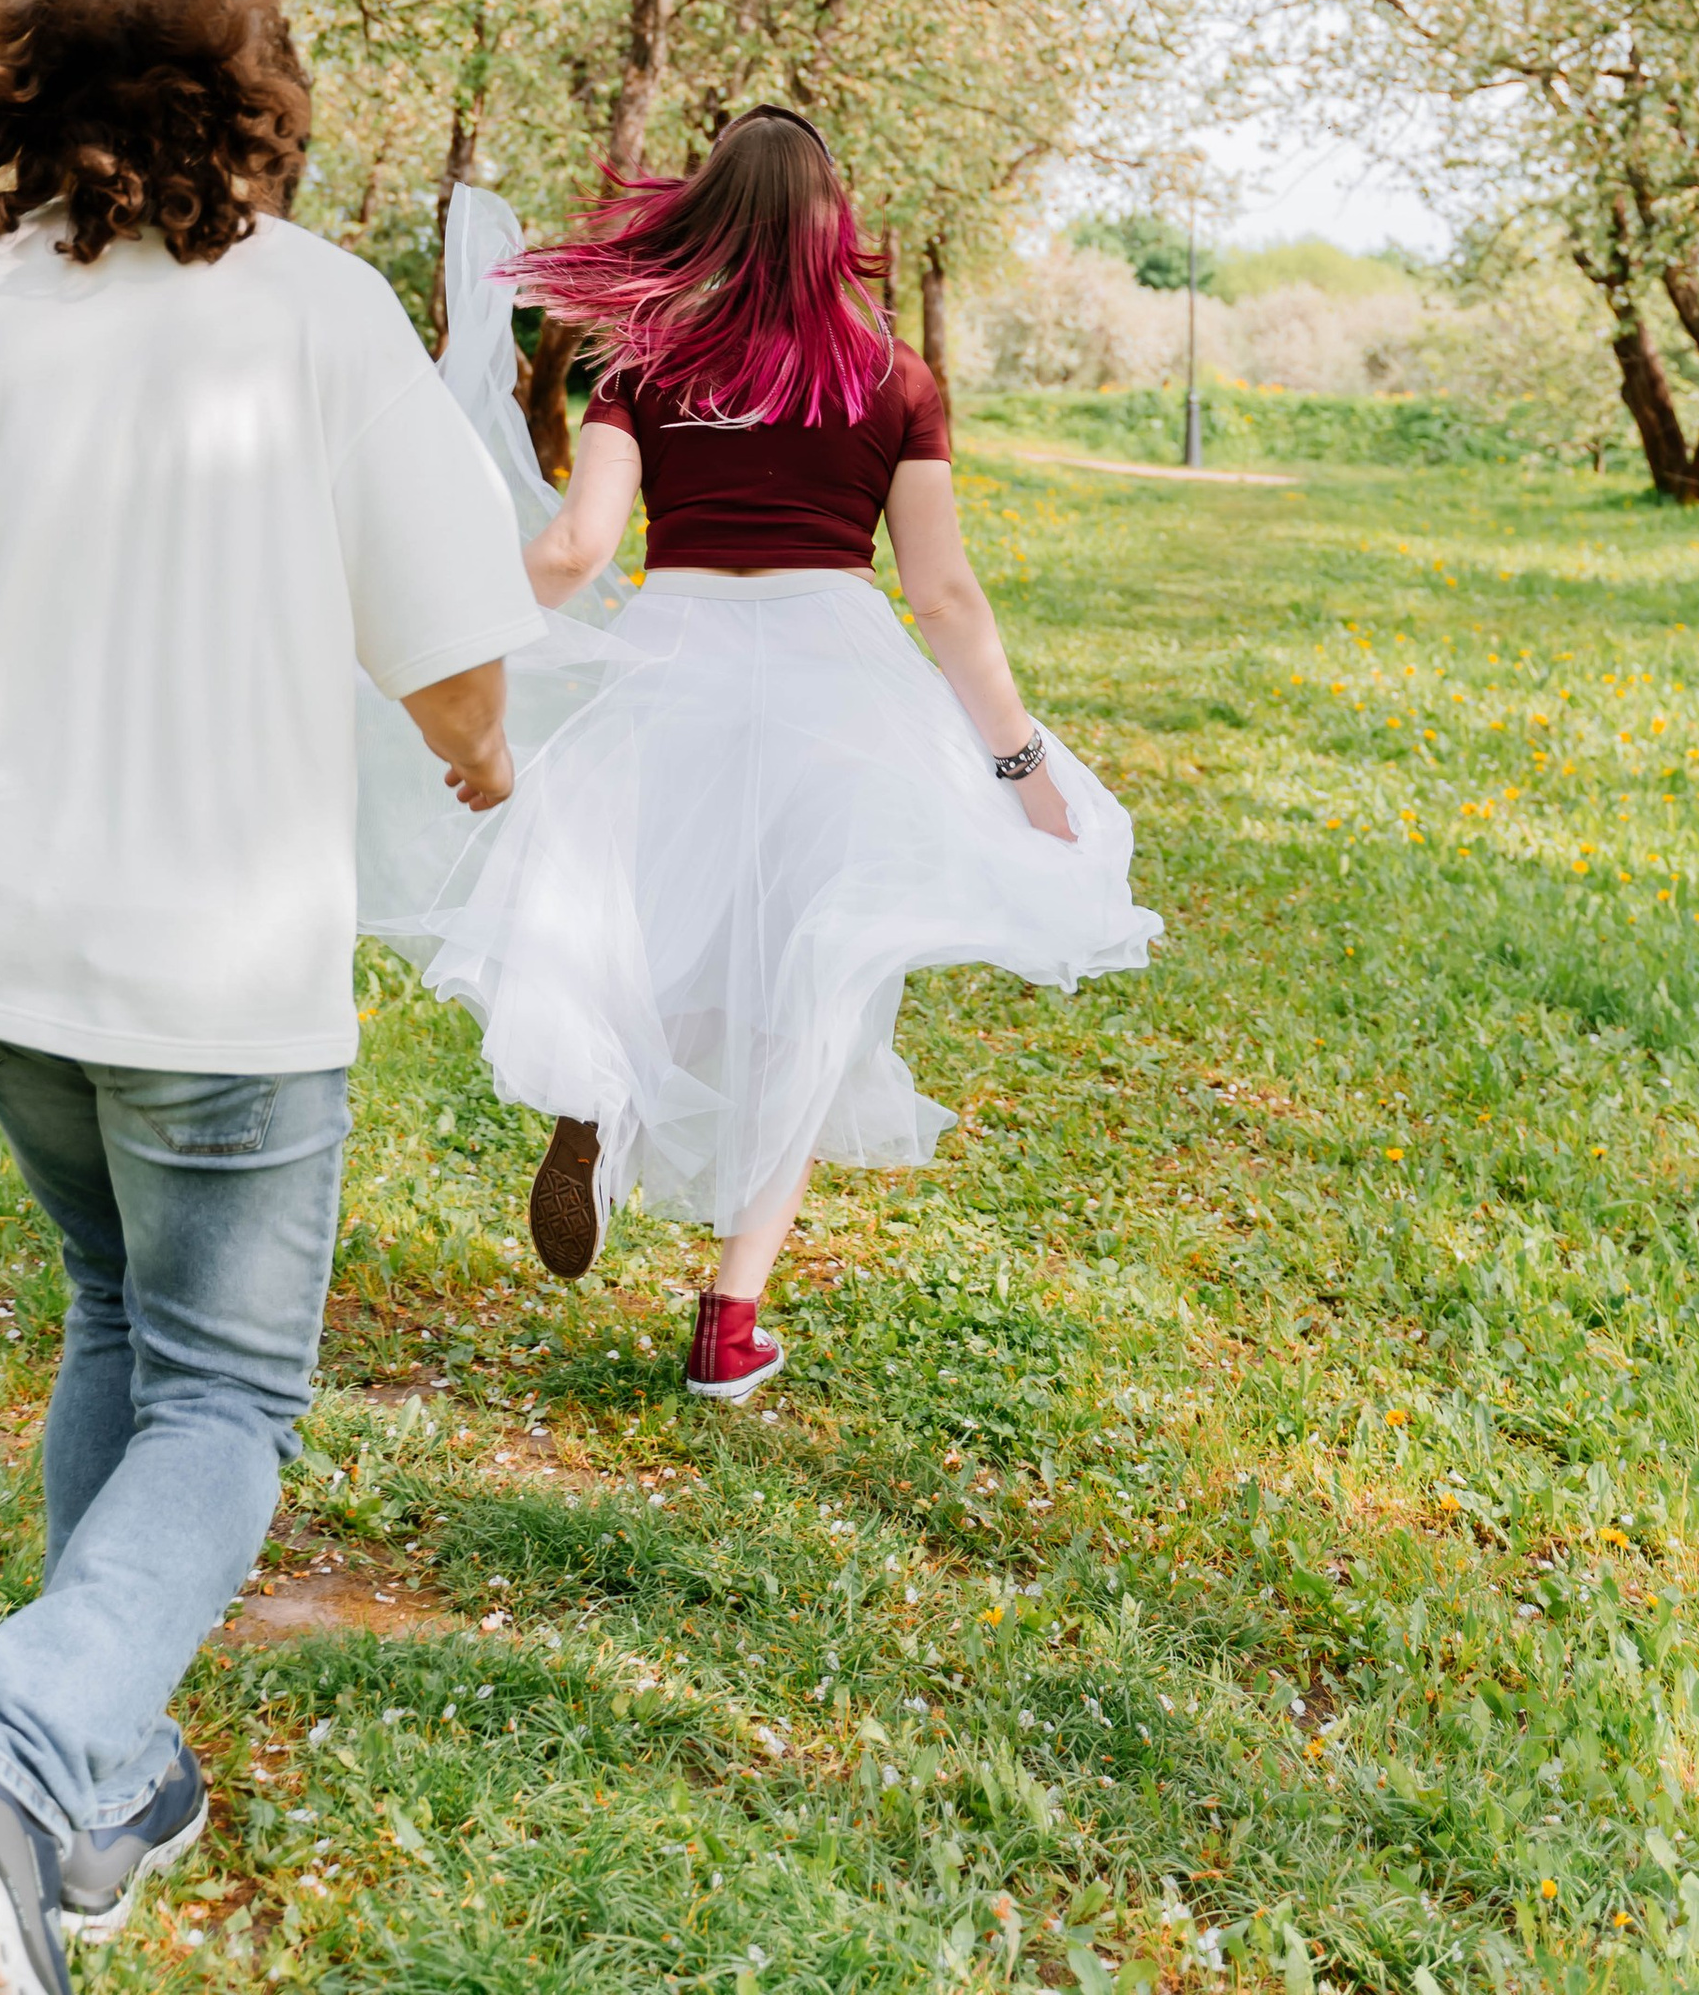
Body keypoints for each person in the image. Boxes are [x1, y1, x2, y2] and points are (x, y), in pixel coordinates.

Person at [0, 0, 540, 1995]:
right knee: (228, 1391)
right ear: (261, 93)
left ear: (28, 87)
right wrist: (485, 766)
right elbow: (446, 659)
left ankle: (105, 1778)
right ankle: (13, 1760)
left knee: (113, 1308)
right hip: (218, 957)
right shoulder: (320, 321)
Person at [399, 111, 1158, 1408]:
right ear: (831, 226)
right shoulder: (893, 378)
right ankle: (730, 1321)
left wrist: (445, 626)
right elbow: (949, 597)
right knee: (822, 979)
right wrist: (1023, 768)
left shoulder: (644, 366)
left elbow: (581, 547)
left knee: (668, 921)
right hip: (837, 674)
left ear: (705, 218)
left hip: (673, 658)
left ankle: (605, 1086)